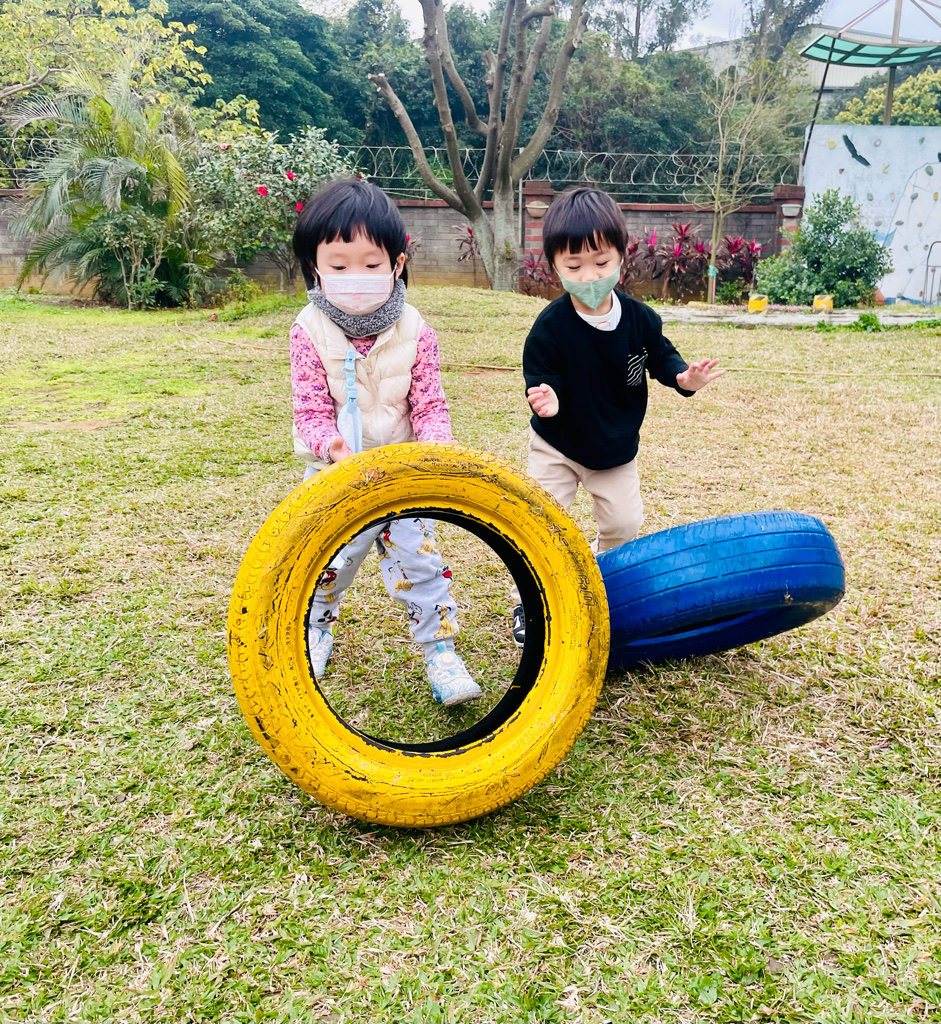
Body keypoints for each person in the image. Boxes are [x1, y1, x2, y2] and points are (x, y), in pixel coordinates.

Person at [290, 179, 481, 706]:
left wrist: (436, 449)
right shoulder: (308, 330)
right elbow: (309, 411)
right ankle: (314, 632)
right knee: (327, 566)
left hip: (403, 474)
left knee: (422, 567)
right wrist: (333, 449)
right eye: (338, 264)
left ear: (397, 263)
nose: (355, 276)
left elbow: (429, 403)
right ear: (315, 267)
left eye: (371, 264)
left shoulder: (416, 329)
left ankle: (441, 652)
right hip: (336, 475)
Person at [512, 186, 724, 647]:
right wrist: (547, 399)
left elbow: (663, 359)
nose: (589, 275)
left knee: (624, 525)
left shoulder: (640, 319)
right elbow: (541, 376)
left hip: (614, 450)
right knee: (541, 522)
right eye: (574, 267)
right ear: (555, 266)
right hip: (557, 445)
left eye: (601, 262)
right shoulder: (550, 327)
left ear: (621, 258)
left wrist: (684, 378)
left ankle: (603, 581)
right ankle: (529, 600)